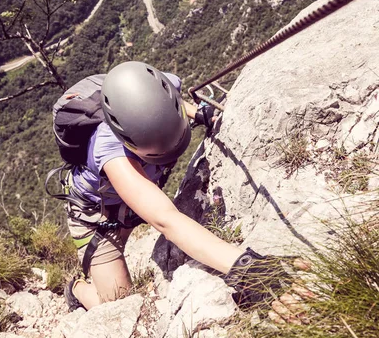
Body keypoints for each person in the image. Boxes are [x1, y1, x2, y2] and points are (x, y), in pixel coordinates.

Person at [63, 61, 281, 311]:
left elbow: (170, 99)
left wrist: (196, 113)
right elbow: (166, 219)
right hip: (98, 216)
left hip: (133, 199)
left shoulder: (157, 87)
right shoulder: (110, 151)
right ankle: (76, 289)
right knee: (117, 302)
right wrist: (249, 269)